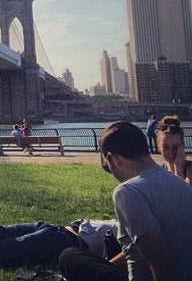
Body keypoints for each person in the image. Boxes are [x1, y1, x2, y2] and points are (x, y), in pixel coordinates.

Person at [59, 120, 192, 280]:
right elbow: (141, 248)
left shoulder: (129, 192)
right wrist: (106, 265)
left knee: (69, 256)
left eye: (108, 166)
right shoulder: (180, 184)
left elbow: (161, 265)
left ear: (114, 159)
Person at [157, 115, 191, 184]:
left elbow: (182, 193)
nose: (170, 152)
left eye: (175, 147)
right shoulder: (161, 171)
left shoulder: (189, 169)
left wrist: (177, 166)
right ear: (159, 147)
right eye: (165, 146)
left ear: (182, 146)